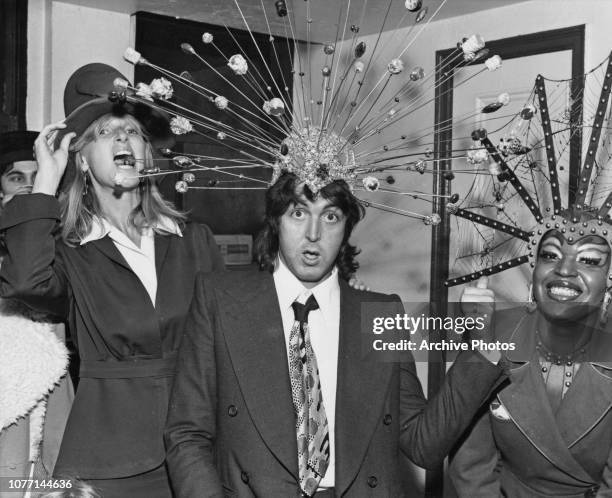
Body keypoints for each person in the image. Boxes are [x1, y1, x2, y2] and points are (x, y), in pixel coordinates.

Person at [164, 170, 507, 497]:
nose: (313, 233)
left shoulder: (380, 313)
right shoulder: (220, 301)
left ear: (346, 229)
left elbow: (422, 443)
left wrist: (480, 347)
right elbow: (187, 434)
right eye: (299, 213)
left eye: (330, 217)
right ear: (276, 220)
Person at [0, 64, 224, 498]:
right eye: (105, 132)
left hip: (199, 450)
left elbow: (228, 345)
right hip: (110, 462)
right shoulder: (69, 251)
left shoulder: (195, 240)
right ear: (81, 160)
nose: (124, 139)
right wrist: (47, 177)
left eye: (134, 132)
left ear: (147, 155)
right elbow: (24, 282)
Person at [450, 219, 612, 497]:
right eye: (550, 255)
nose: (564, 270)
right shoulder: (492, 332)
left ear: (610, 278)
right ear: (534, 268)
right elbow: (471, 466)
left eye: (589, 260)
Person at [0, 131, 73, 497]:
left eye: (37, 179)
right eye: (16, 178)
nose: (29, 188)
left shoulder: (63, 259)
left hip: (52, 433)